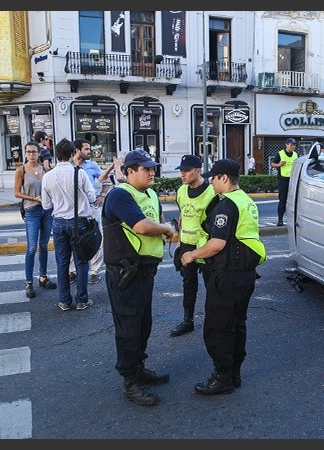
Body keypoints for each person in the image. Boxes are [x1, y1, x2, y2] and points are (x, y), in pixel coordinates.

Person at [180, 159, 266, 396]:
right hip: (245, 275)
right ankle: (234, 373)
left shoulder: (226, 206)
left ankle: (222, 377)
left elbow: (217, 244)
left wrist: (191, 255)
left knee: (218, 328)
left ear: (224, 178)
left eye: (214, 178)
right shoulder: (246, 201)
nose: (210, 182)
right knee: (237, 324)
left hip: (228, 275)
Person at [101, 149, 177, 406]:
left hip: (145, 272)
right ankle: (129, 381)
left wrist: (166, 228)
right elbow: (143, 226)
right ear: (130, 171)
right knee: (129, 328)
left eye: (153, 167)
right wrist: (166, 229)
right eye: (146, 168)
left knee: (144, 324)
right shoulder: (120, 195)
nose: (152, 172)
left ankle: (139, 367)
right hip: (125, 274)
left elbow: (158, 221)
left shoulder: (151, 194)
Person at [41, 138, 96, 312]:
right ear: (73, 153)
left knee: (62, 262)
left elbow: (46, 206)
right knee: (81, 261)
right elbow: (92, 196)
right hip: (79, 222)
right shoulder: (79, 173)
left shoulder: (48, 177)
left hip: (58, 222)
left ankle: (64, 300)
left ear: (56, 155)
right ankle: (81, 300)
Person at [170, 154, 217, 337]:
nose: (182, 174)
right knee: (188, 285)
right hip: (187, 246)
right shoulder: (182, 190)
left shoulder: (212, 192)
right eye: (181, 171)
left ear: (198, 171)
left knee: (211, 286)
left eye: (187, 170)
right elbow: (182, 215)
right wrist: (179, 242)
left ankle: (213, 322)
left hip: (205, 247)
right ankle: (187, 321)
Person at [13, 141, 57, 298]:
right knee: (32, 247)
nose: (31, 155)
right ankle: (29, 282)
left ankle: (43, 277)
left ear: (39, 153)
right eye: (28, 152)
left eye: (34, 152)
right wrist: (33, 198)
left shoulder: (46, 169)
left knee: (44, 245)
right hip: (31, 210)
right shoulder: (21, 170)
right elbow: (17, 193)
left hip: (47, 210)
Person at [69, 138, 108, 285]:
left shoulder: (92, 165)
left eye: (89, 149)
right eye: (86, 149)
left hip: (91, 207)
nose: (89, 151)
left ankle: (94, 271)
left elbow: (106, 180)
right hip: (73, 209)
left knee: (96, 237)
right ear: (77, 150)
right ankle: (72, 271)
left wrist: (102, 195)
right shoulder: (68, 166)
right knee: (73, 239)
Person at [270, 137, 298, 226]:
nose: (293, 147)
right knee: (283, 199)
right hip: (283, 180)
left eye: (294, 145)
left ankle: (294, 219)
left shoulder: (295, 155)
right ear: (286, 145)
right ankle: (280, 219)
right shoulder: (280, 154)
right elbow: (272, 164)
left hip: (293, 179)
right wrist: (279, 164)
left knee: (294, 200)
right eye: (291, 145)